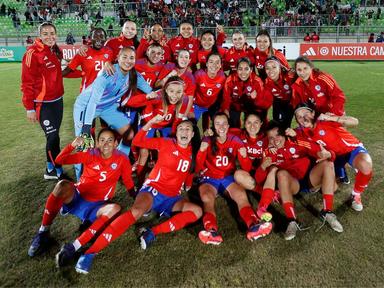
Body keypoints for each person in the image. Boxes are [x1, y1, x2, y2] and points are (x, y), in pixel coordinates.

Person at [74, 117, 202, 274]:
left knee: (197, 211)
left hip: (172, 198)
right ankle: (89, 253)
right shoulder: (166, 143)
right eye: (181, 128)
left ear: (193, 133)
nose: (184, 131)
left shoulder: (193, 151)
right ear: (176, 133)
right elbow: (138, 141)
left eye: (188, 129)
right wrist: (150, 123)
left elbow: (191, 170)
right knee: (135, 212)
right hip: (153, 190)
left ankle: (152, 232)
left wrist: (188, 185)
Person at [28, 128, 134, 259]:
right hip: (78, 196)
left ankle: (73, 247)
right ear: (97, 143)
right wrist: (73, 145)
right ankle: (43, 233)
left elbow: (128, 179)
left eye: (110, 140)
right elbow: (59, 160)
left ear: (116, 143)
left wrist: (133, 193)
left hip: (98, 205)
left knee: (115, 208)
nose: (106, 144)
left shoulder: (122, 159)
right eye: (102, 140)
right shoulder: (90, 154)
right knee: (61, 186)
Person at [196, 112, 273, 245]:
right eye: (217, 123)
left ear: (229, 125)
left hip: (228, 177)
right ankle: (211, 231)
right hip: (209, 178)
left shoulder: (235, 140)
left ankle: (254, 225)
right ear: (213, 126)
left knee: (241, 196)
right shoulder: (207, 140)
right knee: (207, 199)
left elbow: (247, 168)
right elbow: (198, 167)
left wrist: (243, 157)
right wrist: (202, 151)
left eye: (224, 123)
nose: (221, 126)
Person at [259, 120, 342, 240]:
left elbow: (322, 152)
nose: (275, 140)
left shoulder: (297, 142)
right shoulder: (268, 152)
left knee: (328, 164)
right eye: (271, 138)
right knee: (281, 174)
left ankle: (327, 212)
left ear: (284, 134)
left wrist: (328, 154)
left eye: (278, 135)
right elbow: (259, 179)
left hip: (310, 179)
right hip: (292, 184)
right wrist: (263, 167)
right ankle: (292, 221)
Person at [73, 47, 153, 166]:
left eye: (131, 58)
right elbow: (93, 102)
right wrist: (86, 127)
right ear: (118, 58)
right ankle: (81, 179)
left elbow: (150, 91)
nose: (128, 60)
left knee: (129, 134)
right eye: (124, 57)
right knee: (83, 144)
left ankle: (116, 165)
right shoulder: (108, 73)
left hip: (108, 107)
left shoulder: (134, 75)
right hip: (86, 106)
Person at [294, 103, 373, 212]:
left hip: (351, 150)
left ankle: (356, 195)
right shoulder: (300, 132)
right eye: (299, 116)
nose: (303, 118)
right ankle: (341, 172)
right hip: (333, 157)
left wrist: (331, 117)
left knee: (365, 166)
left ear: (313, 113)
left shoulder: (325, 120)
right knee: (333, 188)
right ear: (297, 120)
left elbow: (355, 122)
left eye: (306, 113)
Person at [21, 22, 65, 180]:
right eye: (45, 34)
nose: (49, 36)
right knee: (52, 137)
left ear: (56, 34)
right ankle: (57, 170)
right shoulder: (32, 53)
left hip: (57, 101)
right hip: (42, 104)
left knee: (54, 136)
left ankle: (49, 168)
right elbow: (27, 83)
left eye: (52, 33)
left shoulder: (54, 50)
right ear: (39, 36)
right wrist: (29, 108)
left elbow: (59, 75)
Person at [126, 76, 188, 187]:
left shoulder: (184, 99)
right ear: (165, 90)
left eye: (179, 92)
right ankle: (140, 181)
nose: (175, 95)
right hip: (150, 121)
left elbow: (176, 122)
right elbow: (130, 102)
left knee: (173, 149)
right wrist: (146, 96)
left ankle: (171, 176)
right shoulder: (158, 96)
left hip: (166, 125)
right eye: (171, 91)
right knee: (144, 151)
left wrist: (173, 138)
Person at [222, 57, 270, 128]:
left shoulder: (257, 81)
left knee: (253, 123)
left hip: (251, 105)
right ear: (236, 70)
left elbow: (263, 103)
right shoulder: (230, 80)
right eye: (240, 69)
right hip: (235, 104)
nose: (243, 72)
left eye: (246, 69)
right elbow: (226, 99)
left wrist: (256, 98)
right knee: (233, 123)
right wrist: (226, 110)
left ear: (251, 70)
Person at [62, 28, 113, 92]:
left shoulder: (109, 52)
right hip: (87, 92)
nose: (98, 39)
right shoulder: (83, 52)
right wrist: (52, 75)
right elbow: (67, 70)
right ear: (90, 38)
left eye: (101, 37)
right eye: (95, 37)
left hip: (104, 92)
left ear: (105, 39)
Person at [156, 49, 196, 117]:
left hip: (178, 102)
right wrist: (169, 76)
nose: (183, 59)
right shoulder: (169, 67)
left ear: (189, 60)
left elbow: (189, 98)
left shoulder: (190, 77)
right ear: (177, 58)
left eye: (186, 57)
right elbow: (157, 85)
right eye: (181, 57)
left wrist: (184, 117)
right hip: (164, 99)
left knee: (191, 118)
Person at [193, 52, 226, 130]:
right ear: (207, 64)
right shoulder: (199, 74)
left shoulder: (222, 77)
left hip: (212, 106)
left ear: (221, 65)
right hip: (197, 105)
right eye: (211, 62)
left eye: (217, 62)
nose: (214, 65)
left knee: (215, 128)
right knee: (191, 125)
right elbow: (190, 91)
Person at [264, 56, 296, 128]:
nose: (270, 70)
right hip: (278, 102)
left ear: (280, 68)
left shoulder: (290, 76)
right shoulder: (266, 82)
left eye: (274, 67)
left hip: (290, 102)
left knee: (287, 124)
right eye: (267, 68)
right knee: (277, 122)